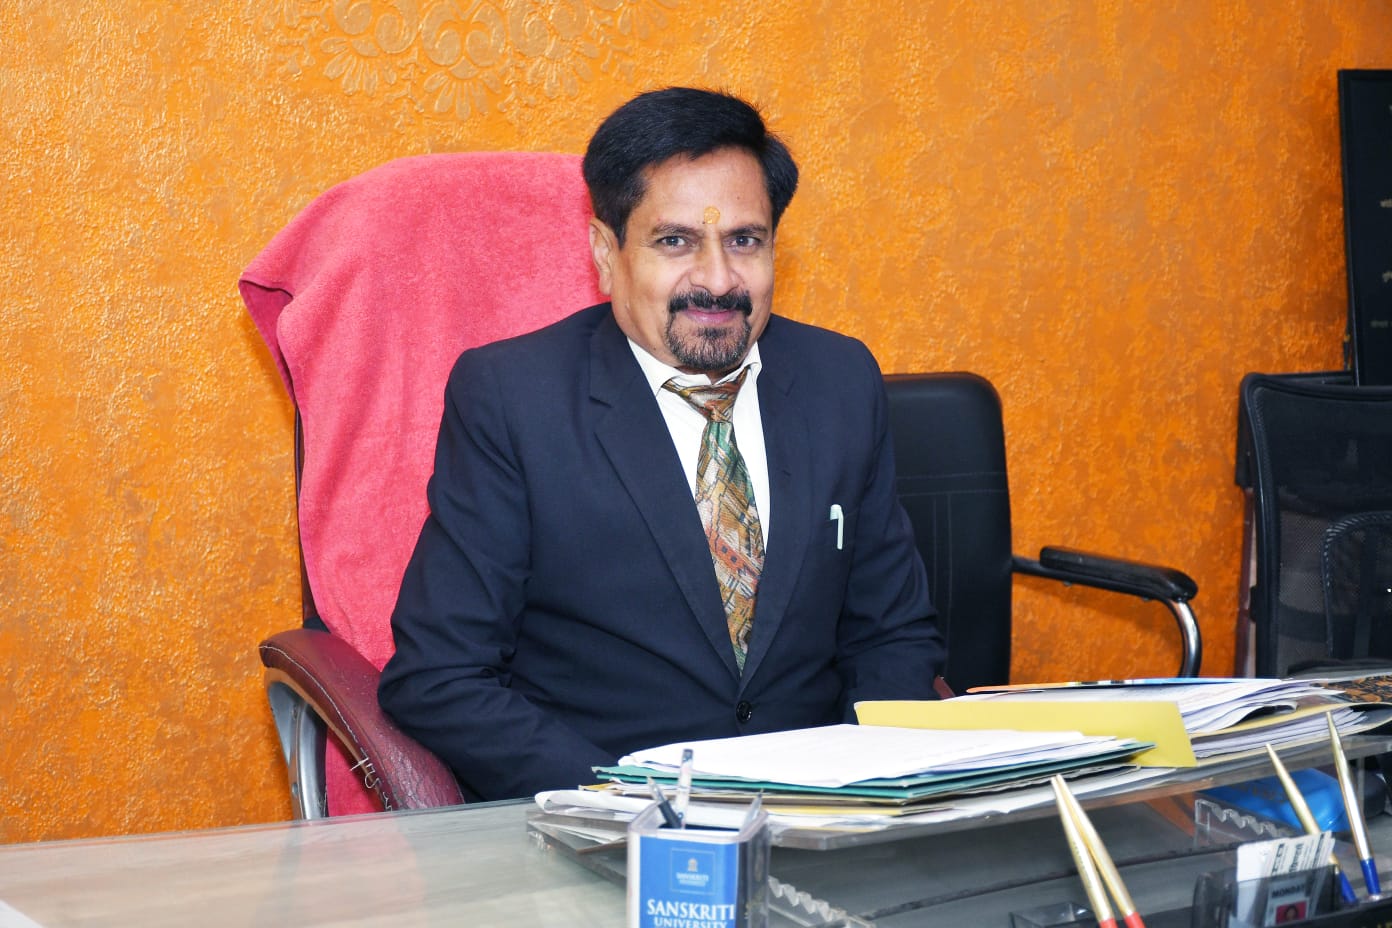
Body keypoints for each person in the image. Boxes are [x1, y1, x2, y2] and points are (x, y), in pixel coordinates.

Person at [378, 86, 946, 801]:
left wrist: (870, 789)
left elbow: (892, 636)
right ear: (605, 253)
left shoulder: (840, 381)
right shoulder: (512, 399)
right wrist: (631, 803)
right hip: (611, 817)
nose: (717, 280)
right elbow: (440, 677)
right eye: (675, 242)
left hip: (823, 815)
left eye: (745, 241)